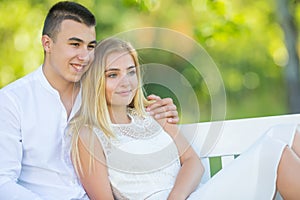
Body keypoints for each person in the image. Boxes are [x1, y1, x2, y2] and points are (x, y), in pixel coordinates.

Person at [70, 37, 300, 200]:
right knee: (272, 150)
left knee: (282, 133)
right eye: (112, 74)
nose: (126, 81)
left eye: (131, 71)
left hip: (193, 194)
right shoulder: (89, 135)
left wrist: (177, 196)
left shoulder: (152, 114)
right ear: (94, 82)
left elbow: (193, 162)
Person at [0, 2, 178, 200]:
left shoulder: (100, 91)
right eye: (75, 44)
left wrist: (164, 110)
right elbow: (3, 182)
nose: (84, 56)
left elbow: (138, 114)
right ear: (47, 44)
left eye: (90, 46)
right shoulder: (12, 101)